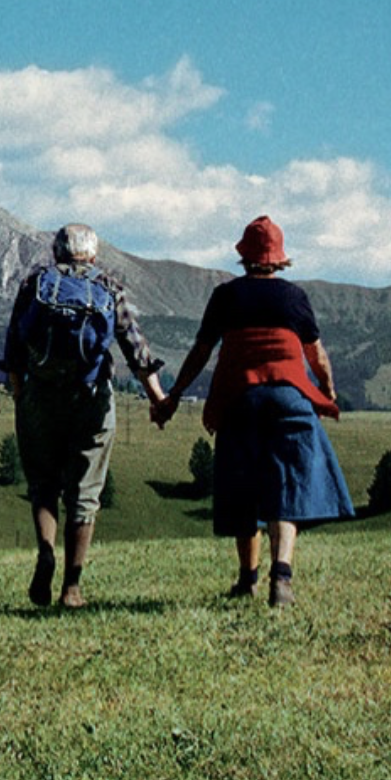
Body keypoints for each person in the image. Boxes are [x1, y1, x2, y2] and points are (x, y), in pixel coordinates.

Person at [151, 216, 354, 606]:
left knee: (244, 488)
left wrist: (174, 395)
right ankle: (283, 576)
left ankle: (248, 580)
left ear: (244, 256)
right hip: (289, 398)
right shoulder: (294, 298)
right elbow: (317, 355)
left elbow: (200, 352)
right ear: (279, 259)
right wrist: (327, 391)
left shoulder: (227, 297)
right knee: (288, 487)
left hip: (241, 398)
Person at [1, 224, 168, 609]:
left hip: (40, 395)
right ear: (92, 255)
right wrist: (157, 399)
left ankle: (46, 551)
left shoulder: (35, 284)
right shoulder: (108, 286)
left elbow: (13, 346)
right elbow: (135, 349)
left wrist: (21, 395)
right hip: (91, 398)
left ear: (56, 252)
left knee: (43, 484)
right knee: (85, 491)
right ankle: (71, 587)